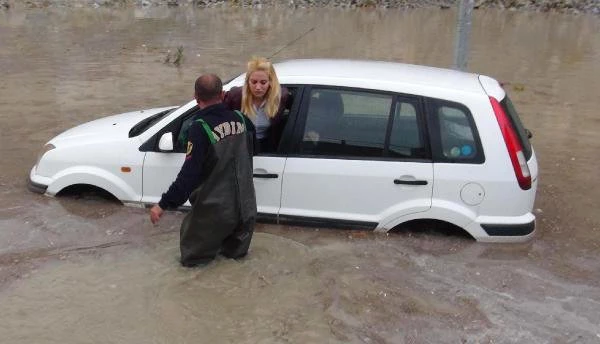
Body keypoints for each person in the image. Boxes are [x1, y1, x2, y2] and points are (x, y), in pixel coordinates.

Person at [149, 74, 256, 267]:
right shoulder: (241, 119)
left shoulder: (199, 128)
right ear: (222, 94)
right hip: (246, 210)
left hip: (214, 213)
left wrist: (162, 205)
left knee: (193, 267)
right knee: (234, 265)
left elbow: (188, 176)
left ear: (195, 97)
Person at [224, 56, 289, 154]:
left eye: (263, 82)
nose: (258, 87)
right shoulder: (236, 96)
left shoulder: (281, 98)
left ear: (271, 82)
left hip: (266, 147)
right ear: (247, 81)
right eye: (254, 82)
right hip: (240, 148)